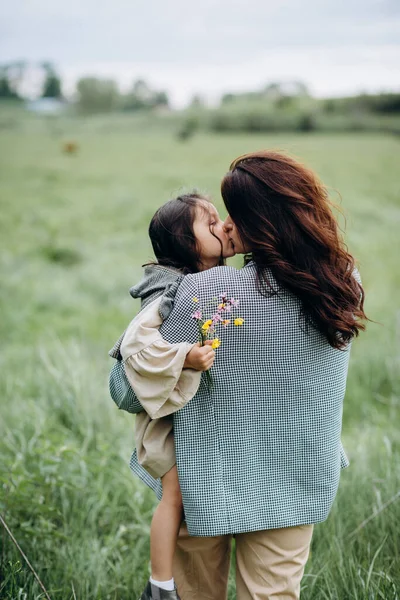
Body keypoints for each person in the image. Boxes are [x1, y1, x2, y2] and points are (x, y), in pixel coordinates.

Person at [110, 151, 367, 600]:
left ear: (261, 220)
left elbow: (127, 392)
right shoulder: (343, 282)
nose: (226, 225)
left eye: (234, 213)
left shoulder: (205, 293)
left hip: (203, 482)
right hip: (299, 477)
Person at [109, 192, 235, 600]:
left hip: (184, 413)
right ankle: (161, 585)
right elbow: (136, 347)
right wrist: (184, 356)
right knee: (176, 493)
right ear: (185, 242)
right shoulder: (169, 290)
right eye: (210, 222)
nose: (223, 226)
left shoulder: (208, 282)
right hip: (162, 417)